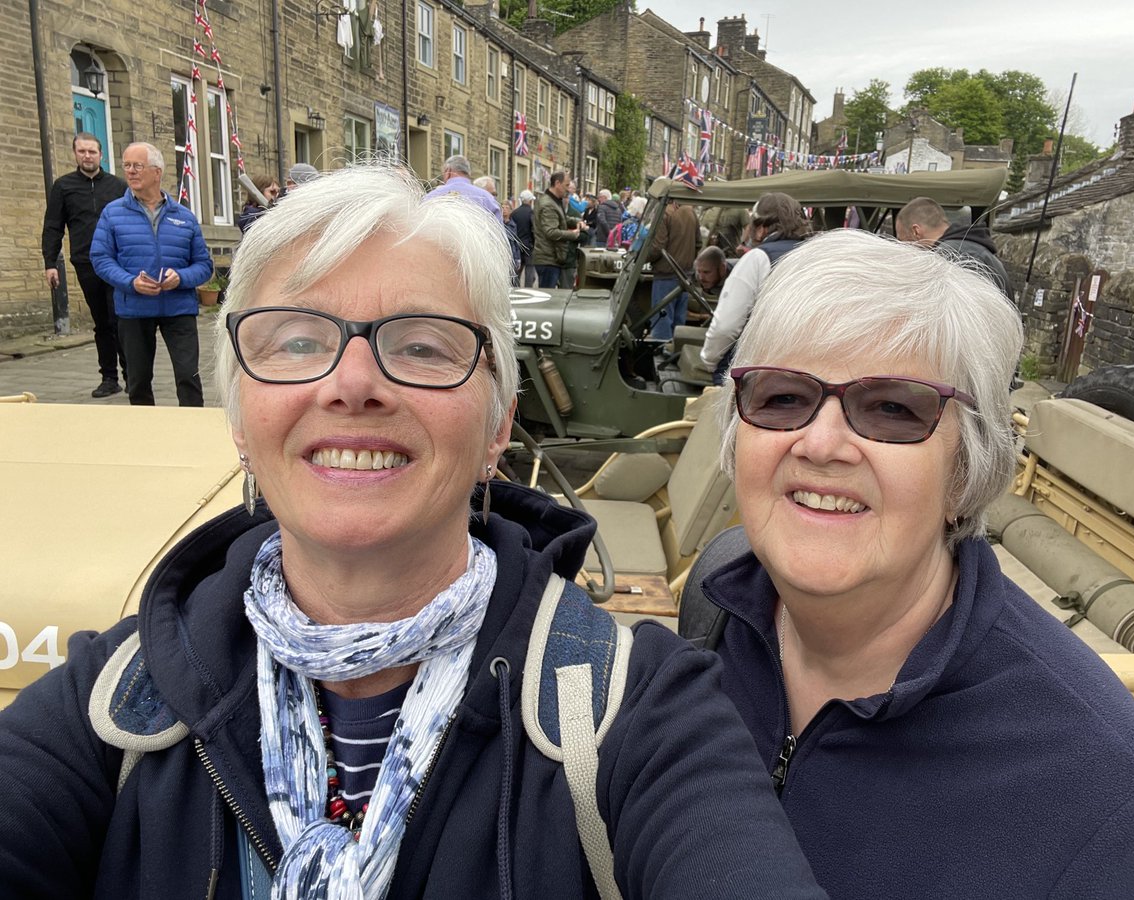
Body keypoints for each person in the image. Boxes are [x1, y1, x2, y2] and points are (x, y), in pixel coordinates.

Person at [0, 164, 828, 900]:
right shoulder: (115, 703)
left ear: (499, 424)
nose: (353, 382)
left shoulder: (630, 713)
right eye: (296, 341)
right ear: (240, 416)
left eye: (424, 347)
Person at [704, 228, 1134, 899]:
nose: (821, 443)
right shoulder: (711, 623)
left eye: (891, 409)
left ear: (965, 469)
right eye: (782, 396)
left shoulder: (1109, 799)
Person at [90, 142, 212, 407]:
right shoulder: (112, 213)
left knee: (188, 377)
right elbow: (100, 258)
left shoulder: (184, 217)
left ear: (157, 172)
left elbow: (204, 264)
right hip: (134, 309)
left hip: (179, 308)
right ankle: (144, 434)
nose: (131, 172)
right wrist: (130, 282)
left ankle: (194, 432)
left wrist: (181, 277)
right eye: (127, 166)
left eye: (138, 166)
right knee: (138, 380)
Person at [41, 132, 127, 397]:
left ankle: (133, 374)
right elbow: (53, 227)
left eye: (92, 151)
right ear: (75, 153)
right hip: (85, 261)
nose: (87, 156)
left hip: (118, 262)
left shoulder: (118, 186)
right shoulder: (63, 187)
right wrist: (50, 262)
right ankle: (109, 378)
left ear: (101, 155)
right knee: (101, 321)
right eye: (82, 152)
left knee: (120, 320)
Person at [699, 193, 812, 380]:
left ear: (761, 228)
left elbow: (725, 326)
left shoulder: (758, 258)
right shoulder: (818, 255)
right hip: (808, 368)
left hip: (759, 368)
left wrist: (709, 361)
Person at [896, 197, 1012, 297]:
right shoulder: (971, 247)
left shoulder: (948, 256)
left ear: (916, 231)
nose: (905, 250)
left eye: (904, 241)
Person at [647, 198, 701, 343]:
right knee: (679, 323)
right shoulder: (691, 213)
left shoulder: (664, 213)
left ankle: (659, 357)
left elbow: (656, 247)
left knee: (661, 323)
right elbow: (698, 243)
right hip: (685, 275)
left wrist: (641, 258)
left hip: (665, 273)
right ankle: (675, 353)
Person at [532, 171, 586, 290]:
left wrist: (577, 221)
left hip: (551, 257)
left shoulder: (553, 201)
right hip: (548, 258)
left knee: (550, 298)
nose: (569, 190)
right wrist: (573, 234)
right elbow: (551, 232)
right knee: (548, 300)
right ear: (557, 183)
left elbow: (562, 218)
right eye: (566, 185)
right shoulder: (548, 204)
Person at [425, 155, 502, 225]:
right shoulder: (487, 199)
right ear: (468, 173)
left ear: (448, 171)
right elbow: (499, 236)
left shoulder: (430, 198)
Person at [511, 189, 537, 287]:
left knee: (517, 271)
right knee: (529, 271)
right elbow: (534, 230)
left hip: (517, 245)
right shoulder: (532, 213)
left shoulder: (514, 213)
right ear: (530, 201)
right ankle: (528, 289)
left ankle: (516, 290)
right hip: (529, 246)